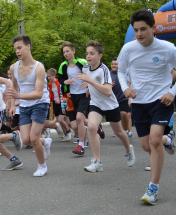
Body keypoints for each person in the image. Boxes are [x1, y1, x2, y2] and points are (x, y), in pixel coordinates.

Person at [117, 9, 176, 205]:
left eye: (143, 29)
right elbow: (122, 71)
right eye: (136, 30)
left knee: (154, 140)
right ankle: (170, 139)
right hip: (139, 103)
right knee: (145, 145)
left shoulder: (168, 49)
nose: (139, 34)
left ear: (154, 28)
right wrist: (125, 88)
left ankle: (153, 188)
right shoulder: (128, 49)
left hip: (162, 100)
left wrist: (172, 92)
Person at [75, 40, 135, 173]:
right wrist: (89, 87)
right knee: (91, 126)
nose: (88, 56)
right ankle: (97, 161)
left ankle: (129, 150)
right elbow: (91, 83)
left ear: (100, 55)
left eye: (92, 53)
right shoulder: (85, 69)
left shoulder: (104, 70)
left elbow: (108, 91)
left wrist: (90, 81)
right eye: (87, 54)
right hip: (96, 104)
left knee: (119, 132)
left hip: (110, 105)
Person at [7, 35, 52, 177]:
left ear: (28, 46)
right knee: (26, 140)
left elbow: (39, 93)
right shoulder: (14, 67)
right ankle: (46, 141)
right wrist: (13, 105)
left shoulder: (39, 68)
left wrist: (18, 96)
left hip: (40, 103)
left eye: (19, 48)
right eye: (15, 49)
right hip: (25, 105)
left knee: (33, 138)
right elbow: (14, 87)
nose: (17, 51)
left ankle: (42, 166)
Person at [58, 41, 104, 156]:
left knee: (79, 118)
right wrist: (65, 82)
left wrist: (88, 84)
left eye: (68, 51)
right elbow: (60, 79)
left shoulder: (82, 62)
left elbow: (92, 73)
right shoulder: (63, 66)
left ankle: (81, 145)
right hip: (71, 95)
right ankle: (96, 125)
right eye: (64, 52)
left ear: (73, 51)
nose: (66, 53)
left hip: (84, 94)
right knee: (74, 125)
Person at [110, 58, 133, 140]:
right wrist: (110, 86)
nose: (113, 65)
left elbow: (130, 84)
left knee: (124, 114)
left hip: (124, 97)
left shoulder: (124, 74)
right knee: (117, 116)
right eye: (112, 64)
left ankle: (127, 130)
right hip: (113, 99)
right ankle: (120, 130)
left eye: (115, 64)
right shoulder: (108, 74)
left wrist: (130, 98)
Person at [47, 68, 71, 141]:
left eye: (50, 76)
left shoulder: (59, 83)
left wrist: (60, 100)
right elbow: (51, 94)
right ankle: (65, 134)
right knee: (58, 119)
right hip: (55, 103)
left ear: (54, 75)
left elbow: (63, 93)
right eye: (48, 76)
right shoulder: (50, 84)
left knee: (60, 120)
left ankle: (68, 132)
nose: (49, 78)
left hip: (62, 102)